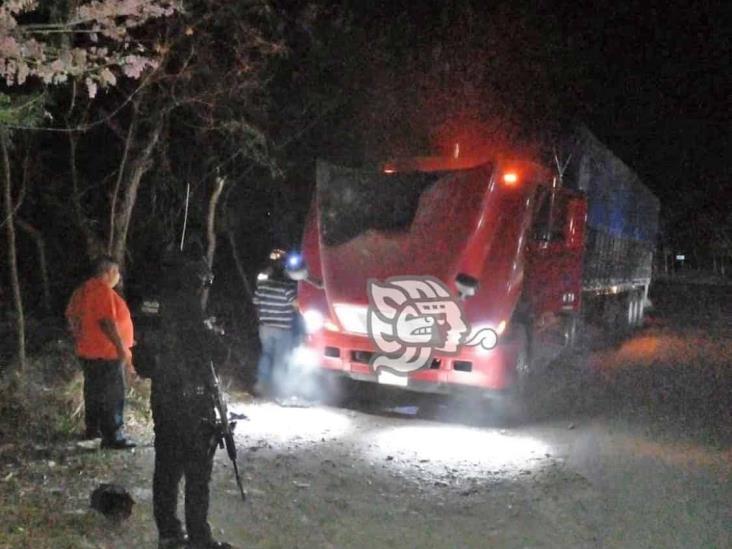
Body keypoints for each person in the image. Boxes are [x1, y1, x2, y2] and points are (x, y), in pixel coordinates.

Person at [148, 249, 233, 549]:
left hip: (162, 400)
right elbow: (218, 353)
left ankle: (169, 533)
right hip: (192, 403)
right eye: (203, 283)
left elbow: (144, 360)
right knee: (197, 473)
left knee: (166, 469)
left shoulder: (156, 307)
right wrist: (214, 335)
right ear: (196, 281)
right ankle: (199, 537)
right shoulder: (188, 310)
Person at [65, 256, 137, 449]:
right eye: (117, 272)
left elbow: (71, 317)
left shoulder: (82, 290)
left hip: (88, 352)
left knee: (93, 391)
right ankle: (113, 435)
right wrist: (121, 348)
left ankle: (93, 430)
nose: (119, 276)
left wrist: (81, 337)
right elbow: (107, 321)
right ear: (108, 272)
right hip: (106, 354)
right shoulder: (101, 291)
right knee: (112, 394)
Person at [252, 250, 298, 397]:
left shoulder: (263, 285)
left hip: (265, 327)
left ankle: (260, 385)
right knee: (280, 359)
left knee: (266, 355)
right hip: (282, 329)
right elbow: (296, 305)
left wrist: (262, 318)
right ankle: (279, 390)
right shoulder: (287, 287)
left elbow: (256, 304)